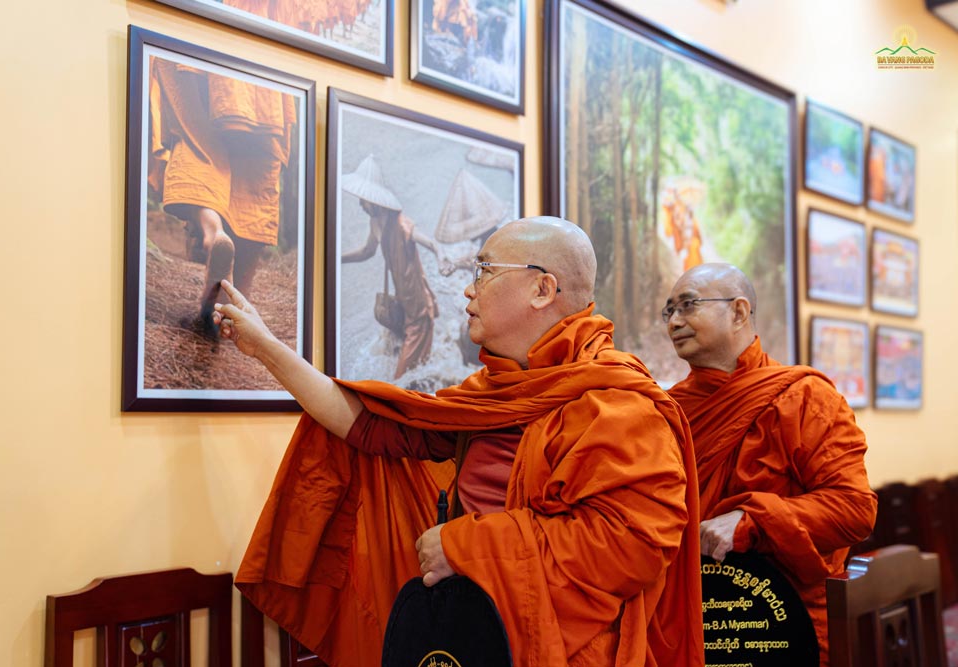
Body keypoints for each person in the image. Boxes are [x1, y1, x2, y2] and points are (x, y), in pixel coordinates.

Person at [217, 216, 705, 667]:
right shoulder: (496, 393)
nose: (467, 291)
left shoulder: (619, 406)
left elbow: (631, 546)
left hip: (564, 648)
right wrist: (263, 345)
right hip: (469, 637)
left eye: (485, 271)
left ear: (542, 289)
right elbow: (368, 425)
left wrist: (465, 545)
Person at [662, 262, 878, 667]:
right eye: (668, 311)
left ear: (739, 312)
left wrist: (751, 519)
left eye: (688, 305)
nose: (674, 321)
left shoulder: (804, 398)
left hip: (782, 619)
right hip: (687, 614)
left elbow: (855, 510)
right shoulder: (668, 410)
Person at [148, 53, 297, 335]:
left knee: (196, 142)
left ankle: (213, 230)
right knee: (254, 177)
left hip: (190, 49)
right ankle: (232, 310)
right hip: (257, 65)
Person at [340, 155, 443, 379]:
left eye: (363, 199)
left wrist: (441, 256)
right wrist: (337, 259)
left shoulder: (401, 223)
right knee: (406, 367)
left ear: (374, 199)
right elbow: (367, 251)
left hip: (417, 307)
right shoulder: (375, 222)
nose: (361, 204)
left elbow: (430, 242)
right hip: (402, 303)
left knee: (401, 377)